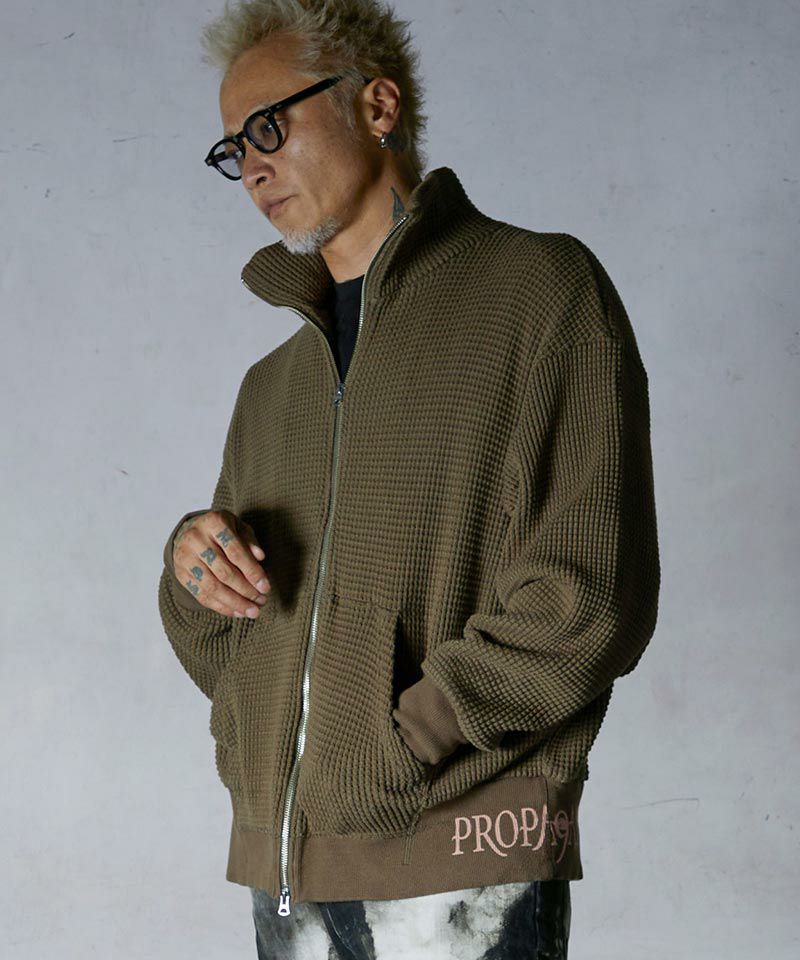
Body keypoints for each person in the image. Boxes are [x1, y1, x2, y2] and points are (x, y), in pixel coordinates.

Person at [157, 1, 660, 957]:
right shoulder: (272, 387)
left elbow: (590, 593)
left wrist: (404, 742)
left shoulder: (539, 291)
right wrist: (193, 564)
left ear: (377, 105)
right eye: (233, 148)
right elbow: (236, 639)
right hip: (287, 873)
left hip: (463, 862)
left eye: (270, 126)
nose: (251, 165)